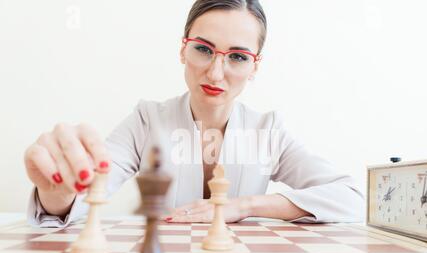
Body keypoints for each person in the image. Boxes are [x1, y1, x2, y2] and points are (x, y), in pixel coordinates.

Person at [24, 0, 364, 228]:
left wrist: (243, 206)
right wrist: (57, 189)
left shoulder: (268, 130)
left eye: (238, 57)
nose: (217, 74)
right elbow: (80, 198)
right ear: (183, 49)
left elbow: (348, 199)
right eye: (203, 49)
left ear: (255, 66)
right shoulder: (146, 120)